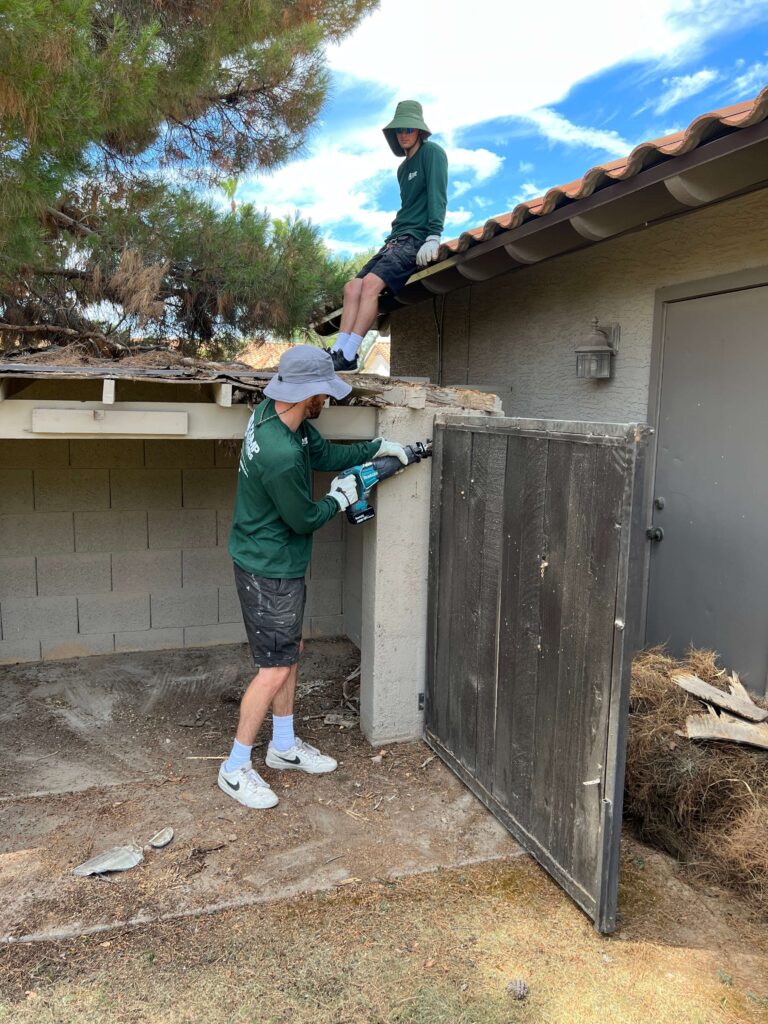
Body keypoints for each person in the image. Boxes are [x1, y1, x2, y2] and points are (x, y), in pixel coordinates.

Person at [219, 345, 408, 809]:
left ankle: (283, 746)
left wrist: (376, 448)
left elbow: (320, 451)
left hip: (275, 560)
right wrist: (341, 499)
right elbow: (304, 518)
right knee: (274, 667)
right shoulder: (280, 455)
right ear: (307, 394)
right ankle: (235, 766)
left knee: (290, 652)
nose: (331, 399)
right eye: (326, 391)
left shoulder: (278, 415)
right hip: (268, 568)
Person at [329, 100, 448, 373]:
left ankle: (349, 354)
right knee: (352, 287)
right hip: (395, 238)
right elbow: (408, 206)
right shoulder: (403, 169)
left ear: (419, 130)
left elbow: (437, 195)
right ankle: (337, 351)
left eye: (409, 128)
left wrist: (433, 235)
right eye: (398, 130)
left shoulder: (433, 154)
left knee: (371, 285)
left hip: (415, 238)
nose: (403, 134)